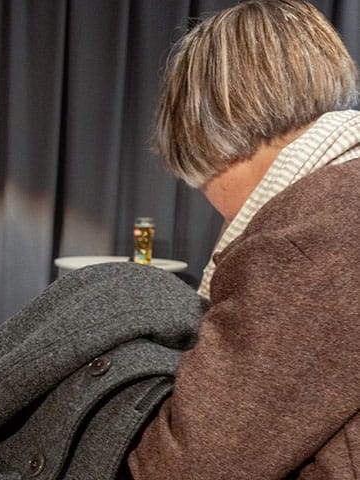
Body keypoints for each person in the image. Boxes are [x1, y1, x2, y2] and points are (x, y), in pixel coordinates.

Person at [127, 0, 360, 478]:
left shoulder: (310, 238)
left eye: (198, 175)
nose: (209, 200)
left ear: (216, 128)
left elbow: (188, 466)